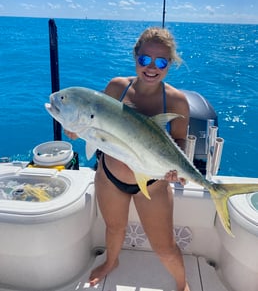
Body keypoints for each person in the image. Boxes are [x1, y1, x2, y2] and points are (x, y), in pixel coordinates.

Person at [66, 27, 190, 291]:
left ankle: (182, 285)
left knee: (165, 247)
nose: (152, 68)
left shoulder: (177, 102)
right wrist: (75, 130)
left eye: (161, 62)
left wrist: (174, 170)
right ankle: (112, 262)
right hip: (110, 178)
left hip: (154, 185)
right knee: (113, 229)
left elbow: (179, 142)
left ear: (170, 64)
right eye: (145, 59)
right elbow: (95, 123)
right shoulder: (117, 87)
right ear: (135, 57)